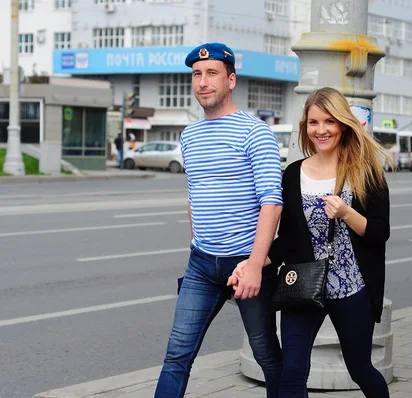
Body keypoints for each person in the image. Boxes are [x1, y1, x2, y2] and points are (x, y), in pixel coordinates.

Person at [229, 87, 391, 397]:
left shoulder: (366, 173)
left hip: (351, 288)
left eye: (329, 122)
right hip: (302, 285)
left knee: (360, 369)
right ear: (305, 126)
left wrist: (346, 213)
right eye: (313, 122)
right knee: (292, 371)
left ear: (343, 124)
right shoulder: (292, 174)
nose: (321, 130)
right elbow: (287, 238)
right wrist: (253, 262)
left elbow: (379, 232)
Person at [154, 42, 283, 398]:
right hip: (201, 265)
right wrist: (198, 239)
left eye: (212, 73)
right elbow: (194, 193)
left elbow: (272, 202)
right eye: (197, 74)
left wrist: (256, 264)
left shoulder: (255, 133)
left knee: (266, 355)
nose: (202, 82)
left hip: (246, 263)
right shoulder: (190, 136)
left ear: (231, 80)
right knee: (177, 354)